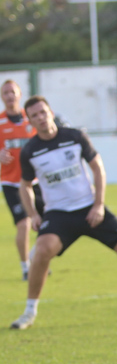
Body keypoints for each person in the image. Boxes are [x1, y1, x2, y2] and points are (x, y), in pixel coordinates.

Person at [10, 95, 117, 329]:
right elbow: (25, 185)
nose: (41, 118)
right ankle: (28, 313)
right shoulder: (30, 151)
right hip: (59, 215)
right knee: (41, 252)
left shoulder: (75, 137)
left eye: (43, 112)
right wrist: (34, 214)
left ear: (51, 112)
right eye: (34, 115)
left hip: (90, 209)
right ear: (30, 121)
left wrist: (98, 204)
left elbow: (98, 168)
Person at [0, 79, 44, 280]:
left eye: (12, 91)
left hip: (35, 180)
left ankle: (37, 257)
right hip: (11, 182)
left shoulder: (31, 119)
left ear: (19, 94)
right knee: (24, 224)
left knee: (47, 221)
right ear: (2, 97)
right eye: (5, 92)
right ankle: (26, 267)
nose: (9, 96)